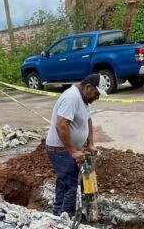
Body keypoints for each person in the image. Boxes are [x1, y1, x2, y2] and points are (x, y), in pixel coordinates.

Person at [45, 73, 105, 216]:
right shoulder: (71, 97)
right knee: (72, 184)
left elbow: (88, 120)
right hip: (60, 150)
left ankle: (57, 213)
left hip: (67, 149)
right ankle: (66, 218)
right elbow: (61, 126)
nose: (97, 98)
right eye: (96, 94)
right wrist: (72, 151)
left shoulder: (84, 99)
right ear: (88, 87)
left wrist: (90, 143)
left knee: (64, 181)